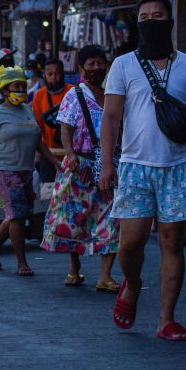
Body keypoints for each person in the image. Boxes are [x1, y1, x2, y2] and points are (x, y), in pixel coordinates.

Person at [100, 0, 186, 342]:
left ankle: (166, 319)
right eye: (145, 16)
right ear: (137, 23)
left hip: (177, 166)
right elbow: (110, 118)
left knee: (172, 241)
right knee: (131, 244)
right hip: (135, 167)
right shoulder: (123, 65)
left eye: (158, 15)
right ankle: (133, 284)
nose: (152, 21)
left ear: (170, 20)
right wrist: (107, 164)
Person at [0, 66, 60, 276]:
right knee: (16, 216)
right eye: (16, 87)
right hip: (5, 170)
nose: (21, 91)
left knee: (16, 213)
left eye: (23, 86)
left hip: (26, 169)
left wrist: (55, 162)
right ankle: (22, 263)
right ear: (5, 89)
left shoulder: (27, 110)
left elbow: (38, 142)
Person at [41, 45, 120, 289]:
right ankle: (74, 268)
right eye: (91, 63)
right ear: (81, 68)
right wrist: (71, 154)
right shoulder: (74, 95)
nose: (96, 68)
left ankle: (105, 276)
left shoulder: (113, 94)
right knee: (74, 218)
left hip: (108, 163)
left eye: (100, 62)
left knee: (112, 217)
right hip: (79, 164)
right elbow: (65, 128)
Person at [30, 58, 73, 185]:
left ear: (63, 74)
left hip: (71, 153)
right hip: (47, 153)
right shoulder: (39, 95)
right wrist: (37, 153)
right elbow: (37, 126)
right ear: (44, 75)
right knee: (47, 191)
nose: (54, 77)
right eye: (50, 74)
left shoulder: (72, 91)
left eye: (57, 73)